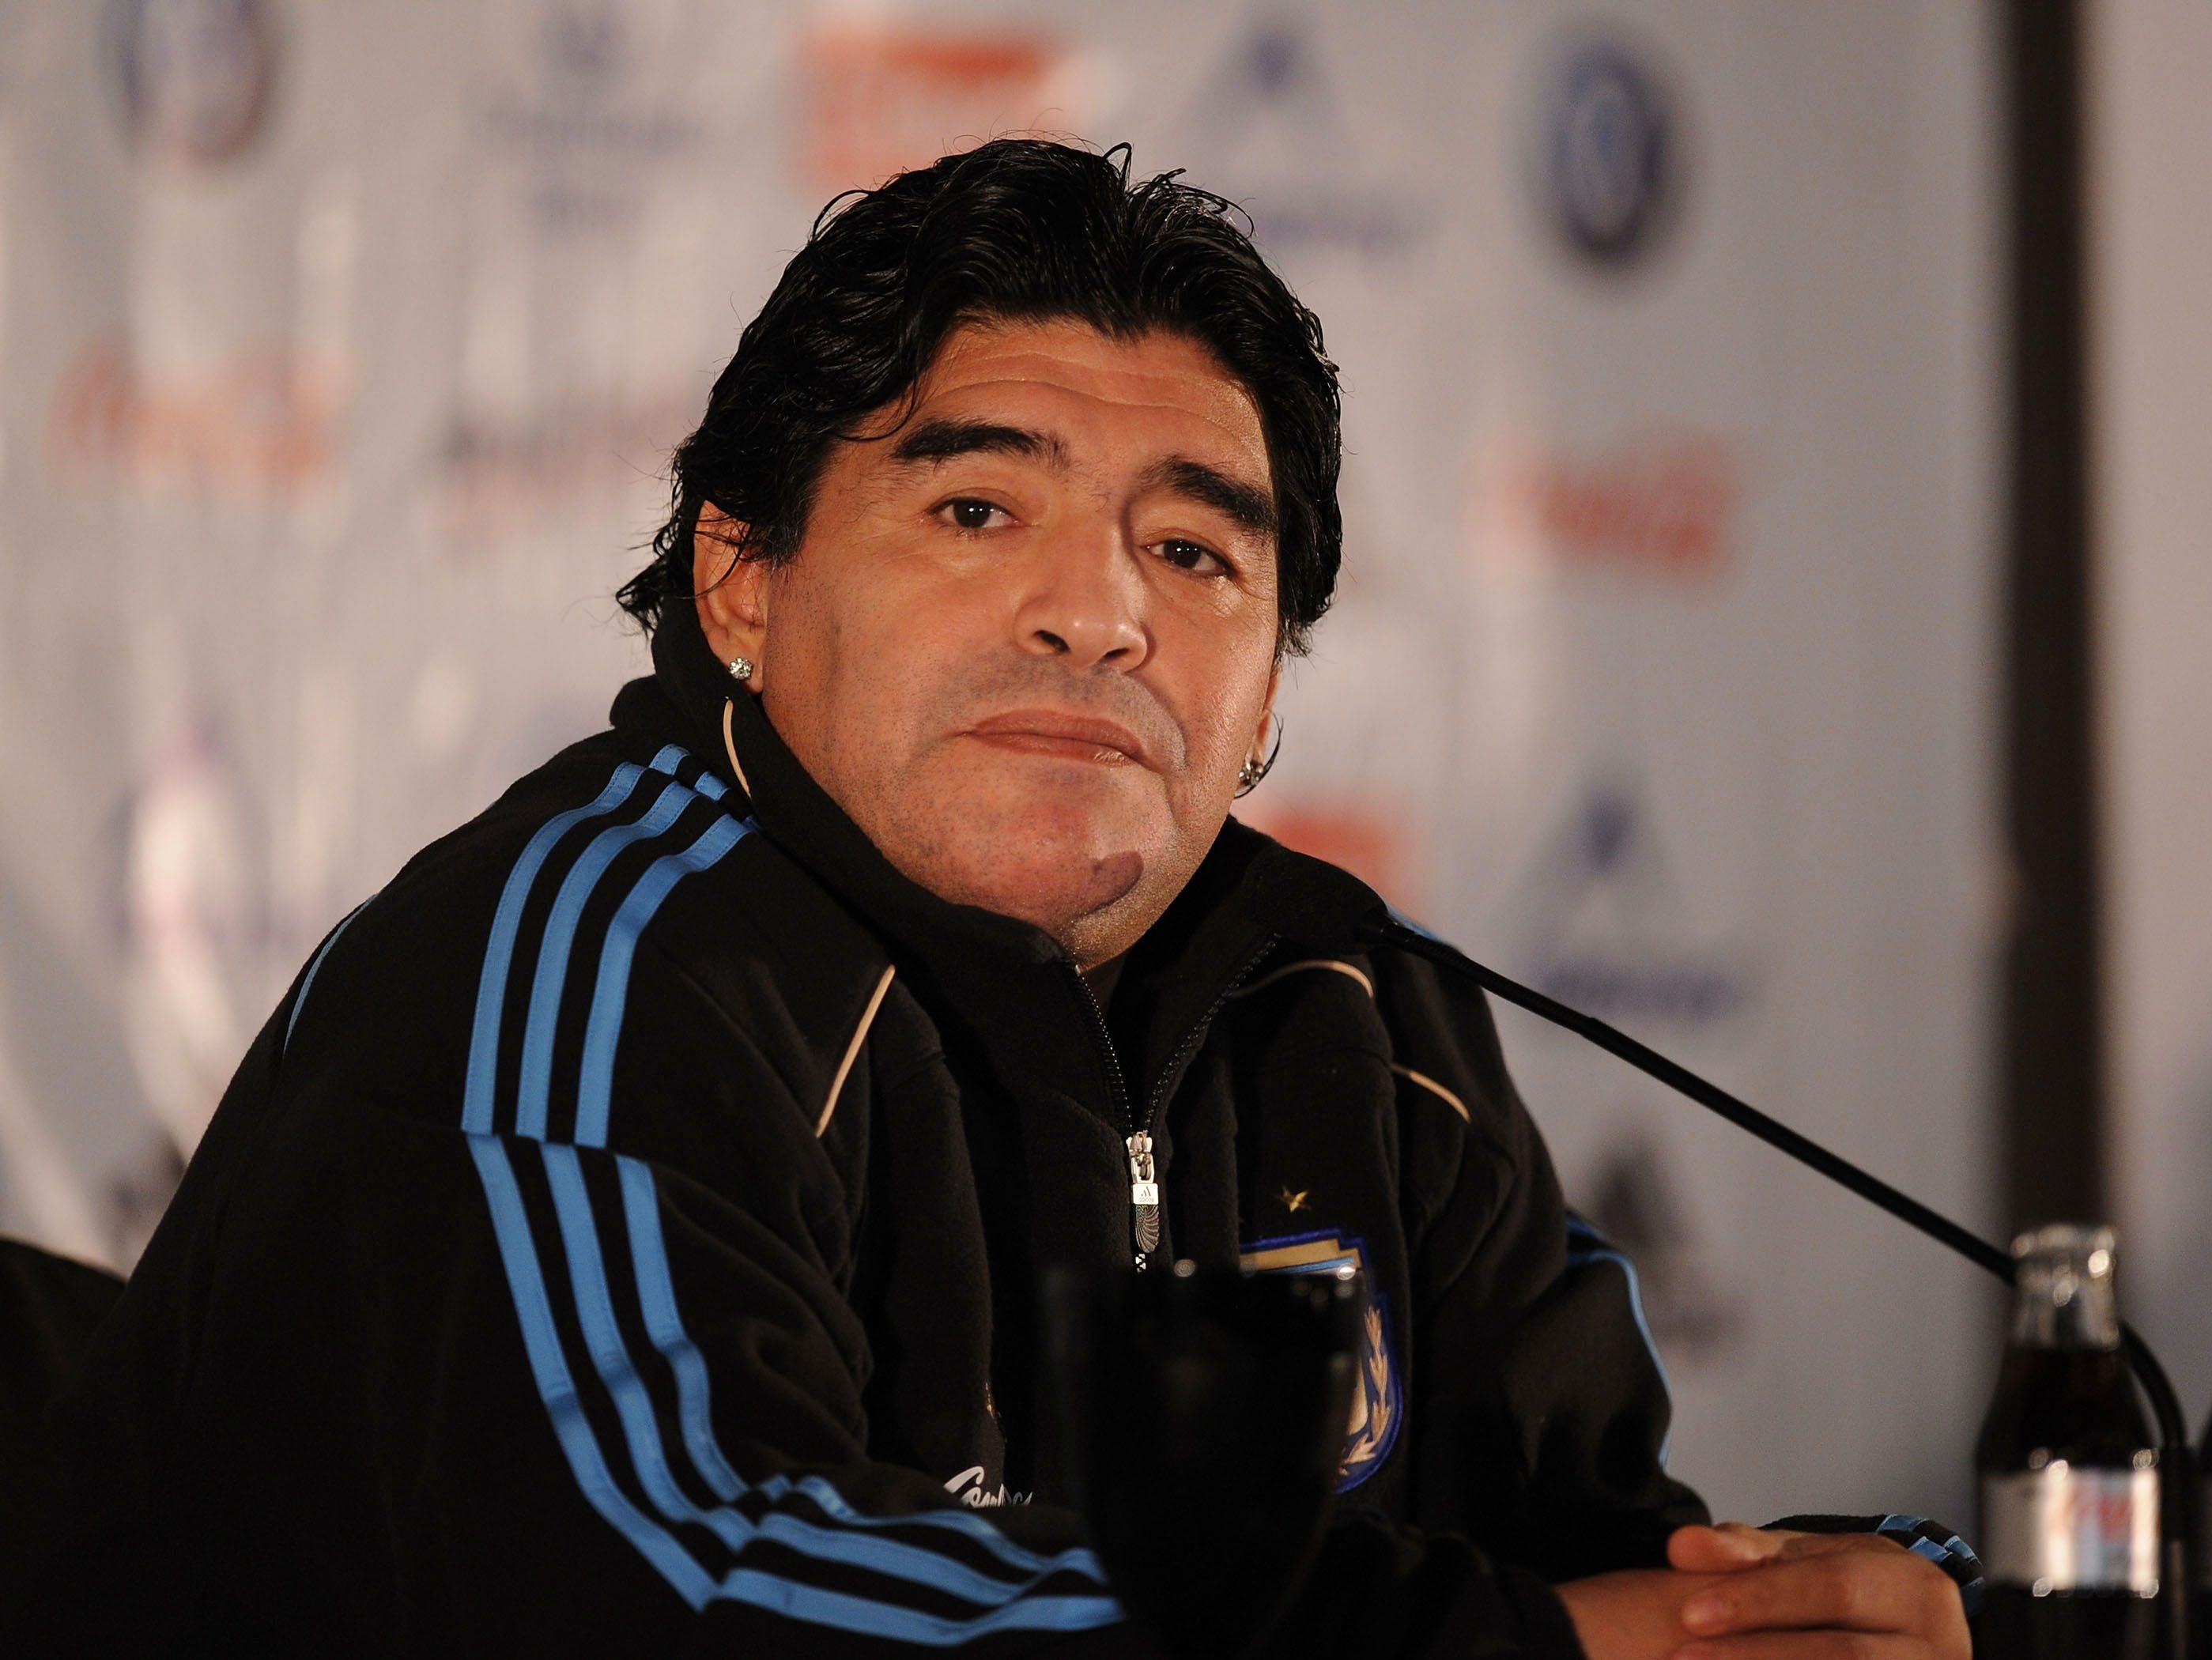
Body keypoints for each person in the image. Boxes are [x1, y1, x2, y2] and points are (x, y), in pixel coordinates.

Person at [13, 140, 1976, 1658]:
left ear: (1273, 683)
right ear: (743, 585)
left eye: (1199, 557)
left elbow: (1600, 1556)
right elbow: (710, 1600)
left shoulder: (1361, 1016)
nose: (1100, 611)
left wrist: (1848, 1605)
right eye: (977, 508)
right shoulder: (579, 969)